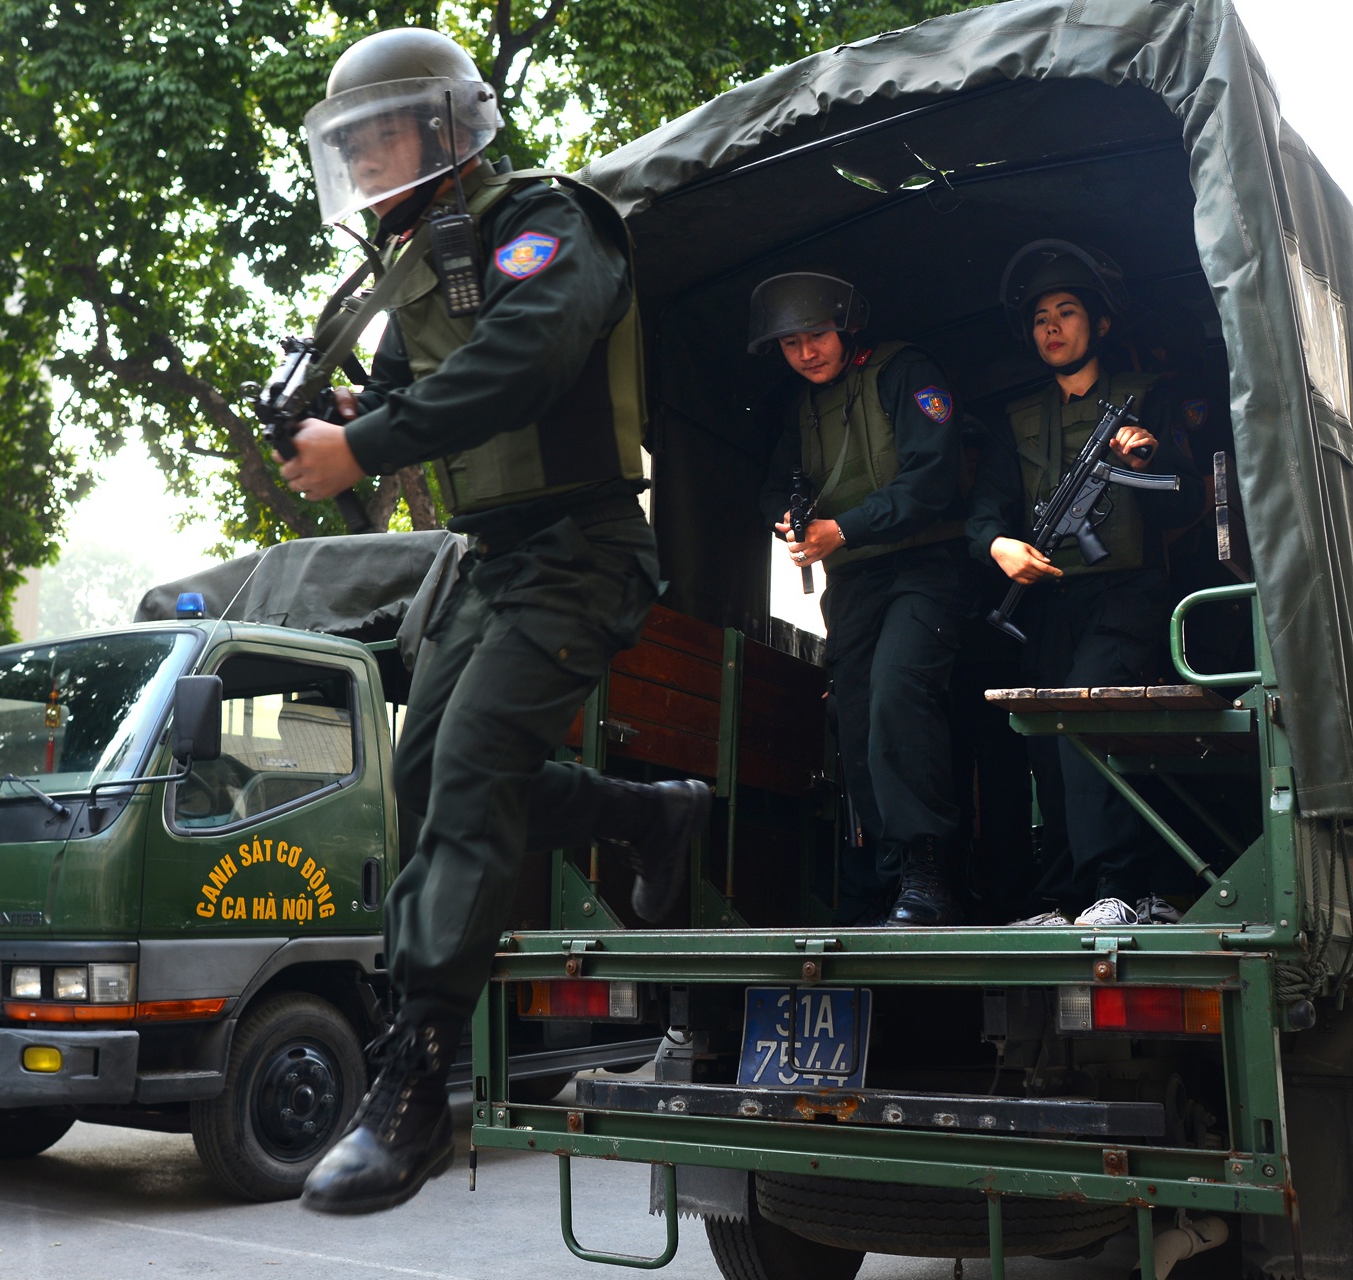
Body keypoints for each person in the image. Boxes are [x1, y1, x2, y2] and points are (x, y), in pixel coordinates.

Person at [279, 27, 711, 1216]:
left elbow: (527, 356)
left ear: (449, 125)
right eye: (351, 141)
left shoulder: (550, 221)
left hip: (582, 544)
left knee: (471, 767)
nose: (367, 156)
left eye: (385, 131)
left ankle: (415, 1079)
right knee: (429, 773)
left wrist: (365, 439)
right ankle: (648, 817)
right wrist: (357, 408)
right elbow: (431, 395)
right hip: (492, 557)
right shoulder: (418, 262)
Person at [753, 273, 998, 927]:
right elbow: (774, 485)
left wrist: (845, 529)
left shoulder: (904, 371)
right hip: (855, 584)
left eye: (815, 337)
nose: (805, 354)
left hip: (926, 569)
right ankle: (889, 879)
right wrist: (788, 519)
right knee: (857, 718)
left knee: (897, 697)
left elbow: (935, 477)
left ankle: (930, 873)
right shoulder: (798, 409)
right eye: (790, 345)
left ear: (846, 327)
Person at [985, 240, 1204, 929]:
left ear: (1099, 325)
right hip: (1049, 598)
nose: (1051, 326)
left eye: (1067, 311)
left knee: (1085, 714)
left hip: (1127, 592)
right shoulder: (1017, 418)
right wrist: (999, 546)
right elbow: (985, 510)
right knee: (1045, 736)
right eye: (1041, 316)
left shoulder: (1148, 398)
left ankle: (1118, 886)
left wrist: (1151, 451)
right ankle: (1064, 894)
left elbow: (1187, 498)